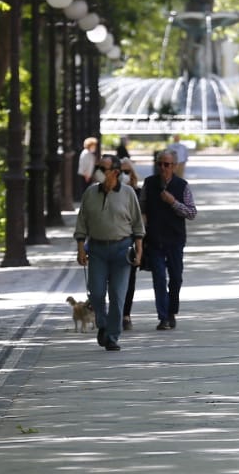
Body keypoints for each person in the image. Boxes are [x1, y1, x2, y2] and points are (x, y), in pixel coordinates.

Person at [73, 153, 144, 352]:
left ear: (115, 172)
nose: (99, 172)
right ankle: (102, 324)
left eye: (103, 169)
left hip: (122, 250)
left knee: (117, 295)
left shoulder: (128, 193)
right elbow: (82, 223)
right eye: (98, 167)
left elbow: (138, 225)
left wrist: (139, 251)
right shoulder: (90, 193)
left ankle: (112, 336)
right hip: (96, 250)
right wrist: (80, 248)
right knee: (96, 292)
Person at [143, 148, 197, 330]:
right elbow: (142, 209)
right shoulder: (149, 184)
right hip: (155, 239)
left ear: (174, 166)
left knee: (176, 278)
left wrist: (173, 202)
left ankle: (172, 310)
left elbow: (191, 213)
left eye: (166, 165)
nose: (162, 168)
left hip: (175, 239)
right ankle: (163, 316)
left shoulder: (182, 185)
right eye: (159, 164)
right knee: (159, 278)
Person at [118, 157, 143, 331]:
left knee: (129, 280)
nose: (124, 175)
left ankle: (125, 314)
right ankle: (114, 312)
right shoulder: (107, 193)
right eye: (121, 172)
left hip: (131, 243)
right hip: (111, 242)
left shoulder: (139, 193)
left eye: (128, 172)